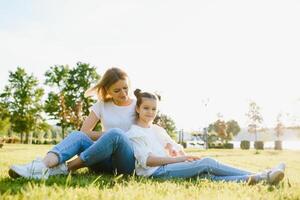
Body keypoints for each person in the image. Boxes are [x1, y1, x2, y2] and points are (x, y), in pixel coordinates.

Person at [126, 89, 286, 184]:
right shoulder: (134, 132)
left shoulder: (157, 129)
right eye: (146, 108)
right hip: (155, 173)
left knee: (207, 175)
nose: (150, 112)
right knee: (207, 163)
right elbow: (146, 161)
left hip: (168, 167)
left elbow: (175, 147)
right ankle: (264, 175)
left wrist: (179, 153)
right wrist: (179, 159)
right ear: (138, 109)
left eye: (154, 109)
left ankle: (259, 178)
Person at [9, 67, 136, 179]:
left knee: (117, 134)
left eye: (125, 88)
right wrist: (107, 137)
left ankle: (65, 168)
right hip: (101, 159)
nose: (123, 93)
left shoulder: (138, 105)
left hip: (126, 163)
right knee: (78, 136)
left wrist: (115, 137)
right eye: (117, 90)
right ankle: (40, 166)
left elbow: (149, 130)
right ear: (107, 90)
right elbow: (84, 132)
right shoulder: (101, 105)